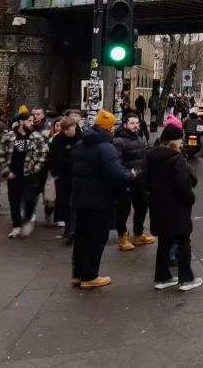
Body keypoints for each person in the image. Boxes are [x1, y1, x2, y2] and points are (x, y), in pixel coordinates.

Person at [70, 109, 134, 288]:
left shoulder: (80, 144)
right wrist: (131, 176)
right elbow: (116, 175)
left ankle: (77, 274)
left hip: (79, 198)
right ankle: (90, 276)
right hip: (99, 200)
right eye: (113, 126)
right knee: (97, 237)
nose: (114, 129)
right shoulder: (106, 148)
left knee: (81, 237)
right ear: (108, 128)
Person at [147, 124, 202, 291]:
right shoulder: (177, 159)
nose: (182, 140)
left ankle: (162, 278)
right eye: (180, 138)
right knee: (183, 242)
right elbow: (184, 185)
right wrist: (190, 199)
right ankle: (186, 279)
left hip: (158, 206)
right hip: (176, 208)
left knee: (164, 242)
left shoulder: (151, 156)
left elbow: (146, 180)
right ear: (174, 141)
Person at [0, 112, 48, 238]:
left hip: (30, 175)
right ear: (21, 121)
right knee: (14, 202)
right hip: (14, 175)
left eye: (32, 121)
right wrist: (6, 172)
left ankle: (26, 221)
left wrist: (35, 169)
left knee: (30, 200)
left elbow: (43, 154)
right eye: (29, 121)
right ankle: (16, 226)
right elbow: (0, 155)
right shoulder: (9, 136)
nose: (32, 123)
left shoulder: (37, 136)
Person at [113, 112, 155, 251]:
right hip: (126, 182)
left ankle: (138, 234)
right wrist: (127, 174)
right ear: (125, 125)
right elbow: (116, 163)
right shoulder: (119, 141)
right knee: (123, 211)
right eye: (132, 123)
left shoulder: (140, 139)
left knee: (142, 207)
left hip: (141, 182)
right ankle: (123, 237)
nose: (135, 125)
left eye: (137, 123)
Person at [49, 112, 82, 244]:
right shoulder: (58, 140)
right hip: (63, 177)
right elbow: (52, 158)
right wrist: (56, 173)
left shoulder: (82, 138)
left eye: (69, 129)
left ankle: (73, 229)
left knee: (75, 203)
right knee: (65, 203)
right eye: (64, 129)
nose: (67, 132)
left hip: (79, 176)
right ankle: (70, 229)